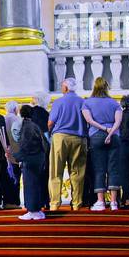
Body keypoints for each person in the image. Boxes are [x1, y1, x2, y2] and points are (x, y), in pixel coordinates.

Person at [81, 77, 124, 210]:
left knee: (99, 168)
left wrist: (103, 129)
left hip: (96, 136)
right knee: (113, 168)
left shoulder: (87, 103)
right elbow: (118, 121)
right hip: (114, 136)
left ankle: (100, 201)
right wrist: (110, 133)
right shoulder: (114, 103)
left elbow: (89, 120)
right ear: (106, 87)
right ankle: (113, 202)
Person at [48, 78, 87, 209]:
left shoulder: (59, 102)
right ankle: (77, 203)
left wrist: (49, 132)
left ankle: (55, 203)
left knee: (56, 171)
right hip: (79, 138)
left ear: (65, 88)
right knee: (77, 171)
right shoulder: (82, 101)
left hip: (61, 137)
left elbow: (51, 122)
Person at [12, 104, 50, 220]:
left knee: (30, 184)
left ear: (21, 113)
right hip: (38, 158)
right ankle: (36, 209)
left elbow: (26, 145)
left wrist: (15, 156)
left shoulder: (27, 126)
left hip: (31, 159)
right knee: (35, 184)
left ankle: (34, 211)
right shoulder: (34, 125)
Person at [3, 100, 23, 208]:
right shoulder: (18, 119)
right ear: (16, 109)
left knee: (7, 179)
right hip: (15, 154)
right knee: (16, 178)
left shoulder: (3, 119)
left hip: (4, 152)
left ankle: (6, 201)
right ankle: (15, 201)